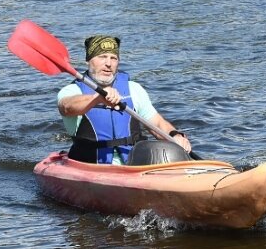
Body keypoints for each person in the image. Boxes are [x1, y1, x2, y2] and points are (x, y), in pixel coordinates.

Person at [57, 35, 191, 164]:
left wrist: (174, 135)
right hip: (90, 164)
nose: (108, 63)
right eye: (102, 57)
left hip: (133, 164)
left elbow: (156, 123)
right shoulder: (72, 91)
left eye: (113, 58)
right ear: (88, 60)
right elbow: (66, 107)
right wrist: (96, 99)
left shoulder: (133, 89)